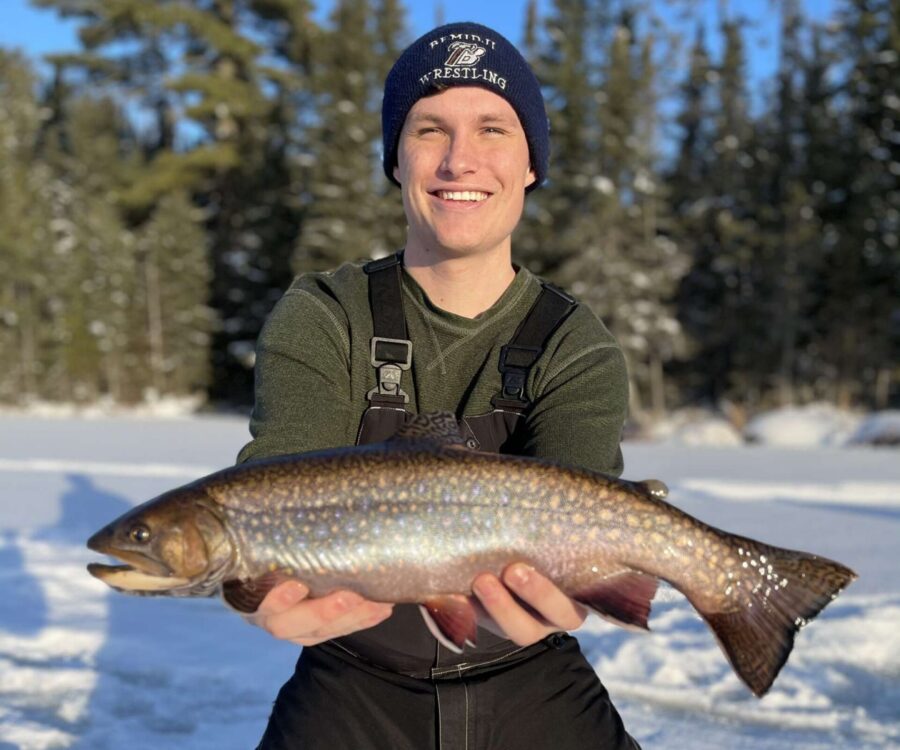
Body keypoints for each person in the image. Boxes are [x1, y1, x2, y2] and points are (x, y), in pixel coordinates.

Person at [238, 20, 639, 750]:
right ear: (396, 160)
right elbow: (273, 480)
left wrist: (572, 584)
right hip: (350, 672)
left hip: (530, 669)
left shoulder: (574, 345)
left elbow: (587, 503)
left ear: (531, 165)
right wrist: (257, 581)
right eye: (428, 130)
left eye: (492, 129)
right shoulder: (326, 315)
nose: (460, 160)